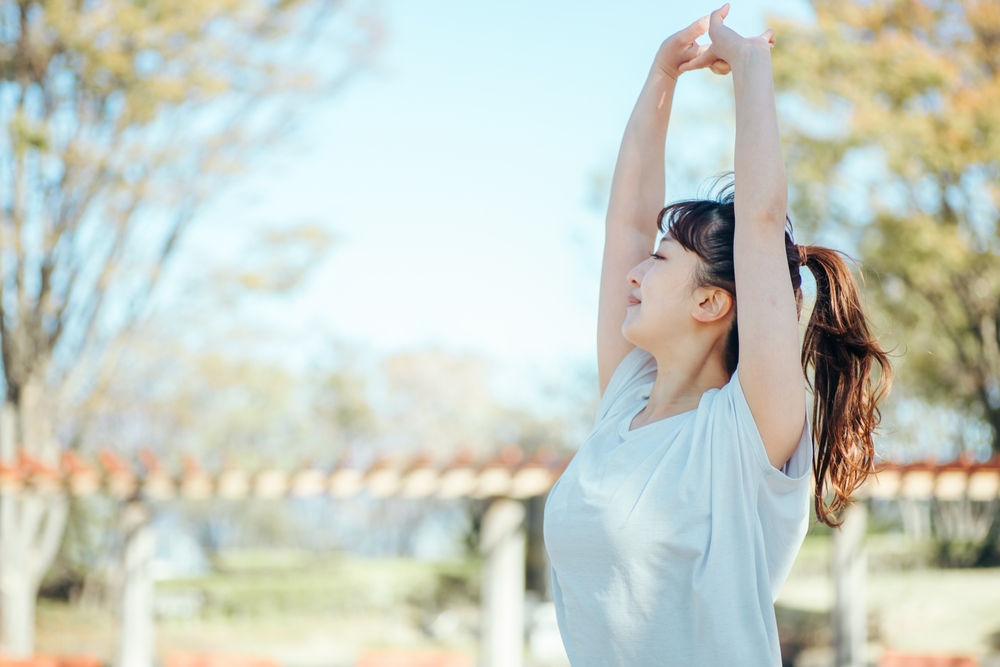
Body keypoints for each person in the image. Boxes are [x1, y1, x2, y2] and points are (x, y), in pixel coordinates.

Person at [542, 5, 892, 666]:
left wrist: (751, 70)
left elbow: (760, 223)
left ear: (711, 301)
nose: (635, 271)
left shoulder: (746, 428)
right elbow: (625, 225)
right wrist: (659, 80)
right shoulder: (625, 400)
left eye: (660, 260)